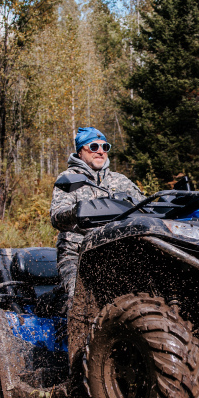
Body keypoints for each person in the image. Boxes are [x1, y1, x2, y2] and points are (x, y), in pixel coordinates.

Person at [50, 127, 143, 299]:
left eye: (105, 147)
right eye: (93, 147)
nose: (100, 151)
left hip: (116, 254)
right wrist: (80, 211)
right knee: (79, 299)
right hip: (77, 255)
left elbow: (145, 208)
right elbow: (57, 217)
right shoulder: (69, 178)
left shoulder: (121, 181)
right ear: (80, 152)